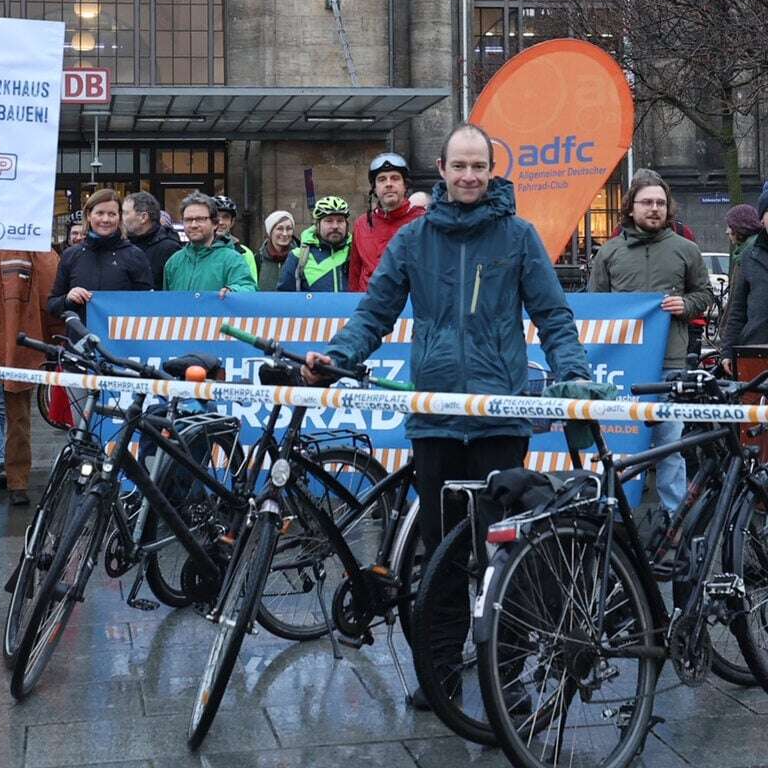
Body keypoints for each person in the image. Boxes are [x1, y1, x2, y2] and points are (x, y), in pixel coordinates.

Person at [304, 123, 591, 708]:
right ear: (441, 168)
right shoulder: (413, 241)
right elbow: (375, 311)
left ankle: (505, 680)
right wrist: (338, 357)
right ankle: (437, 676)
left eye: (477, 167)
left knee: (502, 554)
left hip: (498, 421)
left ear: (491, 171)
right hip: (434, 419)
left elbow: (553, 316)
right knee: (441, 556)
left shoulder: (518, 236)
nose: (467, 176)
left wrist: (574, 371)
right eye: (458, 166)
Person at [589, 168, 712, 531]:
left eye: (660, 202)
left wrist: (686, 306)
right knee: (621, 446)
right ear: (631, 208)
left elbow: (704, 295)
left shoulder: (686, 250)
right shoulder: (609, 253)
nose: (654, 209)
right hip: (623, 368)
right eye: (647, 202)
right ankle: (618, 520)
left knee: (669, 446)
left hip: (669, 365)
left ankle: (675, 524)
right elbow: (595, 306)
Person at [0, 247, 60, 510]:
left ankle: (17, 482)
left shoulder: (30, 244)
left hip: (17, 342)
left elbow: (49, 280)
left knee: (18, 419)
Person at [48, 188, 153, 322]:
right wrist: (68, 299)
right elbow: (52, 305)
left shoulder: (135, 255)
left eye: (111, 214)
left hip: (120, 340)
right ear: (88, 215)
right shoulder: (71, 255)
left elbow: (148, 305)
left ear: (119, 217)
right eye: (100, 213)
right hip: (80, 339)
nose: (105, 219)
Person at [349, 152, 426, 292]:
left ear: (405, 185)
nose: (389, 184)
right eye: (382, 179)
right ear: (374, 188)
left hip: (410, 306)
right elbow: (355, 272)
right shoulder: (362, 224)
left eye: (395, 178)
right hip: (370, 306)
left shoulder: (423, 221)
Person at [162, 192, 257, 295]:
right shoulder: (173, 262)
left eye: (200, 219)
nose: (193, 225)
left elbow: (249, 289)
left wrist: (234, 291)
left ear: (215, 223)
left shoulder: (233, 259)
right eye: (188, 220)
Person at [722, 190, 768, 374]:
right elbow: (737, 310)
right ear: (762, 219)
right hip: (755, 351)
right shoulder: (749, 257)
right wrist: (727, 351)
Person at [276, 196, 354, 292]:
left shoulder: (356, 252)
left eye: (340, 221)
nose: (335, 226)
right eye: (329, 221)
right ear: (317, 225)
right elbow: (285, 298)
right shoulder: (298, 256)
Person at [121, 191, 181, 290]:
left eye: (125, 213)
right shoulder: (123, 245)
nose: (121, 218)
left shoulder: (168, 249)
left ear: (143, 217)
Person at [212, 194, 259, 282]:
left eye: (225, 217)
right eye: (216, 217)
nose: (221, 222)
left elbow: (250, 287)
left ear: (232, 222)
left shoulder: (245, 253)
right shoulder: (199, 250)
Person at [256, 210, 297, 291]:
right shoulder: (257, 260)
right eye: (280, 228)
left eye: (289, 229)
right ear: (270, 232)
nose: (285, 233)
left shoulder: (300, 258)